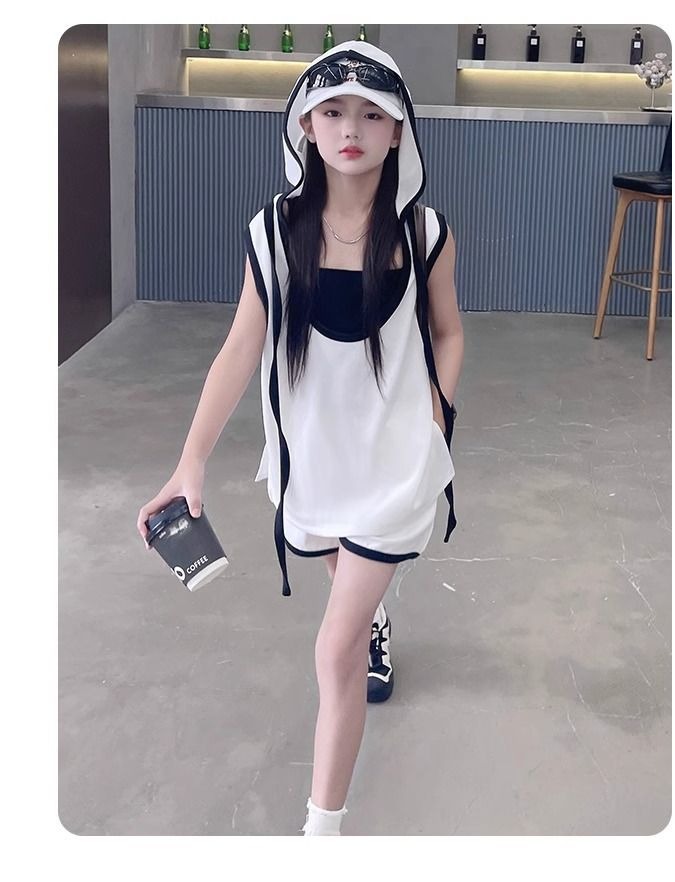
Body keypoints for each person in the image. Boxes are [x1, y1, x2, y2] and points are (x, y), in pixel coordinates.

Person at [136, 39, 464, 836]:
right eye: (332, 111)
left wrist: (434, 422)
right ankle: (372, 617)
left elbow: (450, 333)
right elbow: (239, 349)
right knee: (337, 573)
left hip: (394, 468)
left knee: (333, 651)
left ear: (397, 130)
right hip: (310, 463)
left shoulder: (425, 233)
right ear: (306, 126)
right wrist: (189, 463)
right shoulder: (273, 232)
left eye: (371, 114)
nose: (351, 128)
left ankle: (321, 832)